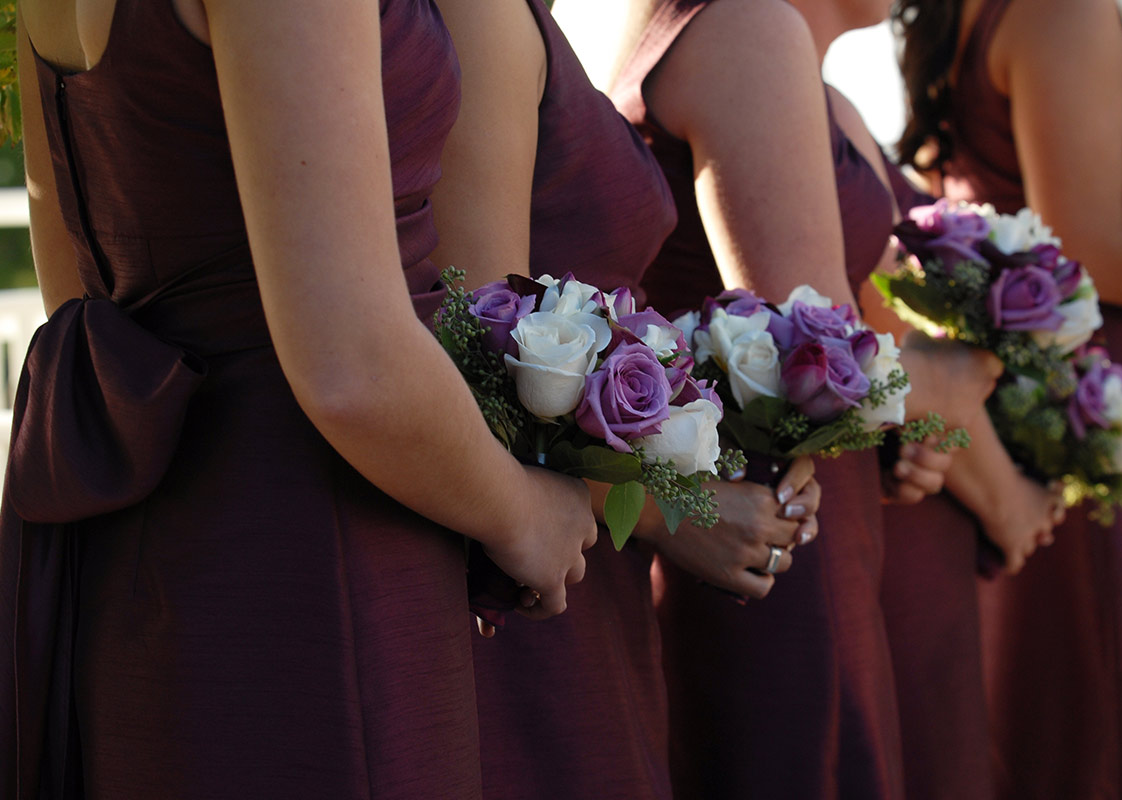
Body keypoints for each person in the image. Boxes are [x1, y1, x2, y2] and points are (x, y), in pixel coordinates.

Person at [1, 0, 598, 796]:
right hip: (318, 555)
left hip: (138, 549)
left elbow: (77, 291)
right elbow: (350, 365)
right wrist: (523, 512)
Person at [555, 0, 1003, 795]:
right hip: (775, 536)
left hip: (797, 514)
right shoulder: (746, 27)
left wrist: (904, 432)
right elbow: (818, 350)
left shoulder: (763, 46)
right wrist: (960, 375)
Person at [429, 0, 820, 795]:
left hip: (588, 568)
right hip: (536, 568)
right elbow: (477, 358)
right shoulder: (481, 17)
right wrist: (674, 508)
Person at [894, 0, 1122, 797]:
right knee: (1112, 726)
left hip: (1047, 409)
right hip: (1090, 411)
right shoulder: (1060, 9)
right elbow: (1089, 245)